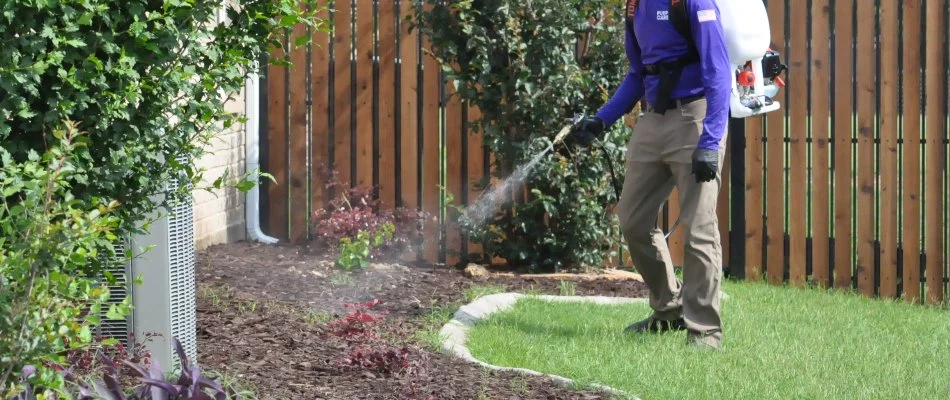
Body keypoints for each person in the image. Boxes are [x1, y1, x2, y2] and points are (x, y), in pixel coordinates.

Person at [567, 0, 732, 350]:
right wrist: (602, 120)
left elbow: (718, 70)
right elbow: (638, 73)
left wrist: (711, 139)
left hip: (695, 119)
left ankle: (704, 332)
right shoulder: (634, 6)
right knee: (633, 220)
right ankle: (668, 310)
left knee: (699, 229)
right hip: (653, 119)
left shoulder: (692, 3)